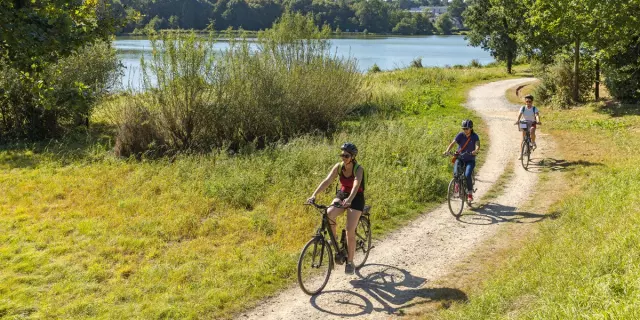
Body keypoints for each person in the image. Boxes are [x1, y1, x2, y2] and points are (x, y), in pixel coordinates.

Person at [307, 142, 365, 275]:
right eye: (342, 154)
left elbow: (356, 185)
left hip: (356, 197)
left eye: (346, 155)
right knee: (329, 214)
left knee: (350, 230)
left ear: (353, 156)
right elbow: (327, 181)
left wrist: (349, 200)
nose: (343, 157)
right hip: (343, 193)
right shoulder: (338, 167)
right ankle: (336, 244)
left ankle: (350, 262)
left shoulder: (358, 169)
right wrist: (314, 195)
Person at [443, 119, 480, 203]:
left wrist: (476, 150)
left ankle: (470, 194)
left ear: (471, 128)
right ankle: (457, 184)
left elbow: (477, 145)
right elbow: (453, 143)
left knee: (467, 175)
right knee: (456, 173)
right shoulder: (460, 135)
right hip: (460, 158)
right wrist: (447, 150)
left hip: (470, 160)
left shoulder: (475, 136)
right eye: (463, 128)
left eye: (466, 128)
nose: (465, 130)